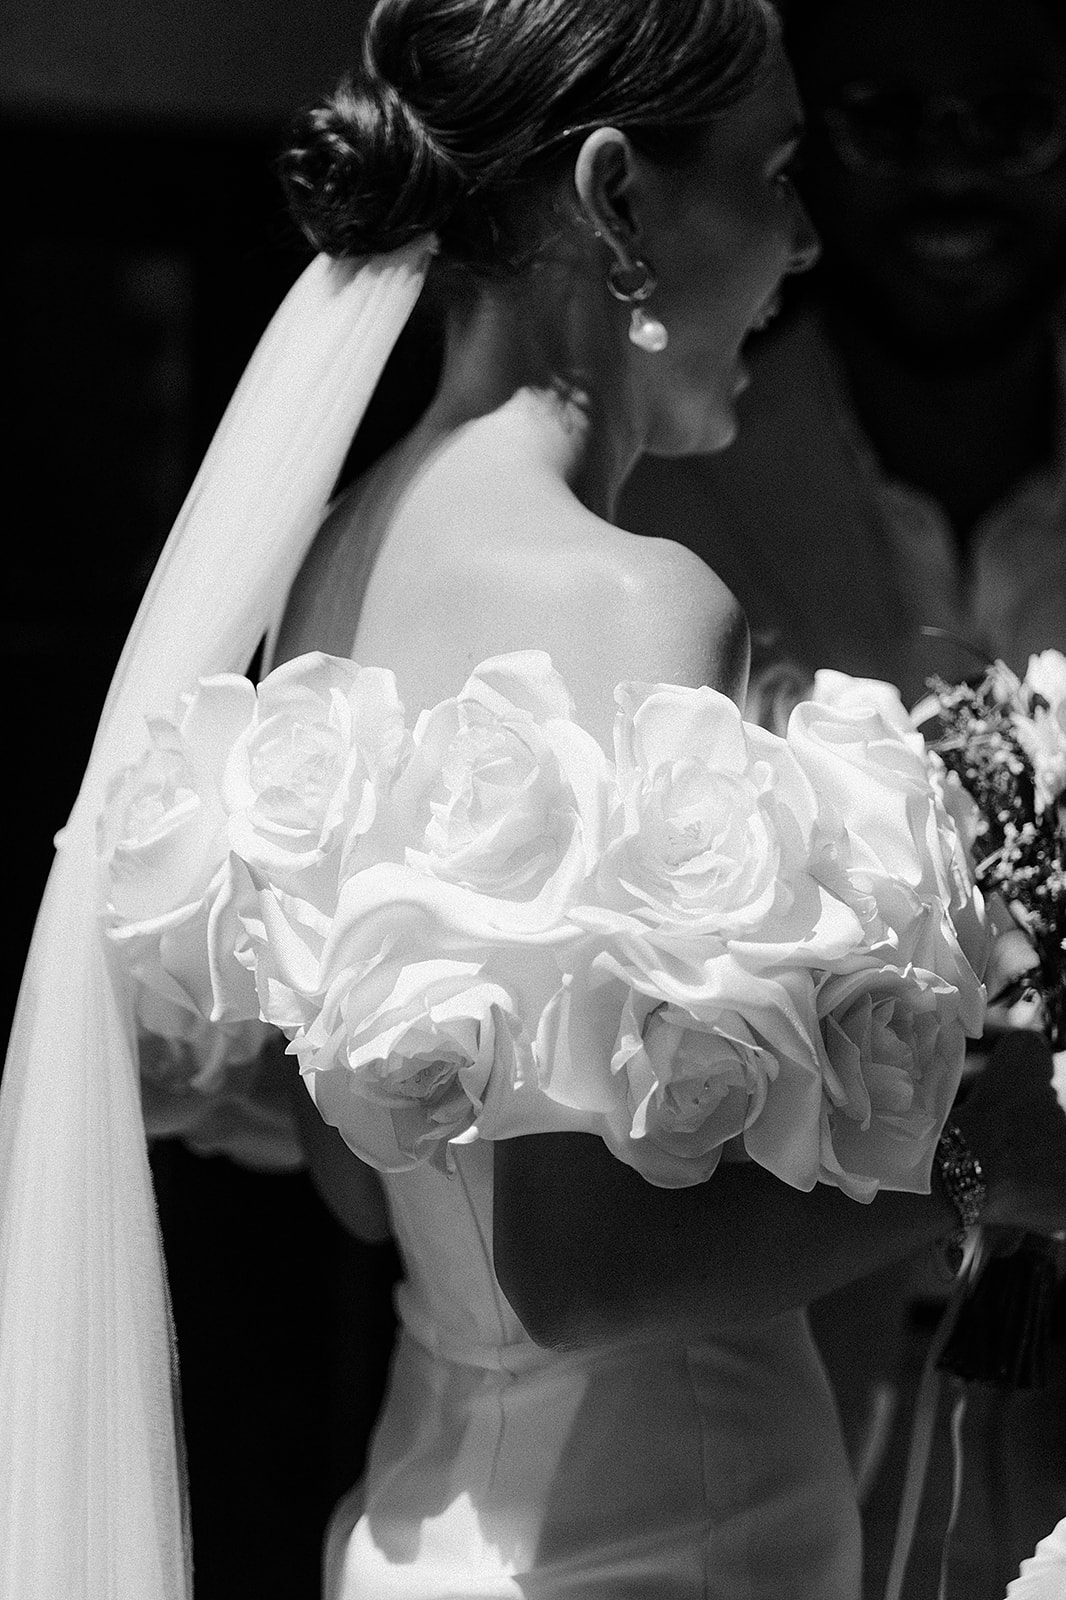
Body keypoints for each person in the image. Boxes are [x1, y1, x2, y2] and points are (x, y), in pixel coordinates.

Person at [4, 3, 1066, 1599]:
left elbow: (370, 1181)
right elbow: (581, 1274)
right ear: (616, 199)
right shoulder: (630, 599)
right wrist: (994, 1159)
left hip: (438, 1512)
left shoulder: (351, 552)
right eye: (777, 173)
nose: (802, 238)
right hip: (665, 1544)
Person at [619, 1, 1066, 1590]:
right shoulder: (649, 490)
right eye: (884, 121)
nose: (953, 175)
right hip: (773, 1401)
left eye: (1011, 117)